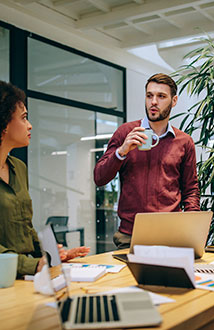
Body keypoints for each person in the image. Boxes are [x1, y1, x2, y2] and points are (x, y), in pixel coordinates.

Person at [94, 73, 200, 249]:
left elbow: (190, 190)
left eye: (161, 96)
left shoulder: (184, 141)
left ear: (174, 101)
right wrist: (122, 151)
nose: (154, 102)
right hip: (130, 237)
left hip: (171, 236)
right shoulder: (125, 133)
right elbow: (99, 177)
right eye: (149, 96)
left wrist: (192, 229)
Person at [0, 81, 90, 277]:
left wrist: (52, 256)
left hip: (27, 277)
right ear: (4, 123)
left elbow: (24, 226)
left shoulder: (19, 168)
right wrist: (34, 265)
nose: (30, 125)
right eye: (24, 118)